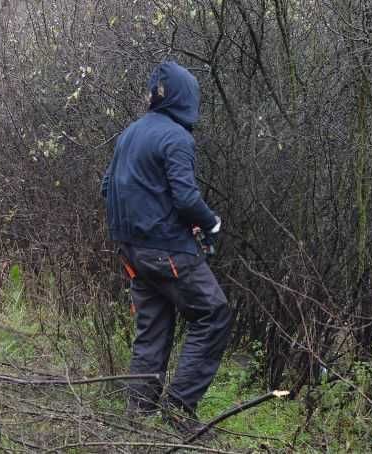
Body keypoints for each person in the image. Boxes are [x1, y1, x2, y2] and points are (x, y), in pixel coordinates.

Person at [101, 61, 232, 436]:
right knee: (214, 314)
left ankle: (137, 421)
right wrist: (211, 222)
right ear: (186, 96)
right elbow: (187, 199)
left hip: (132, 254)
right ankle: (178, 411)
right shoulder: (177, 138)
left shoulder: (129, 134)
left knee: (153, 329)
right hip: (167, 252)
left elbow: (106, 188)